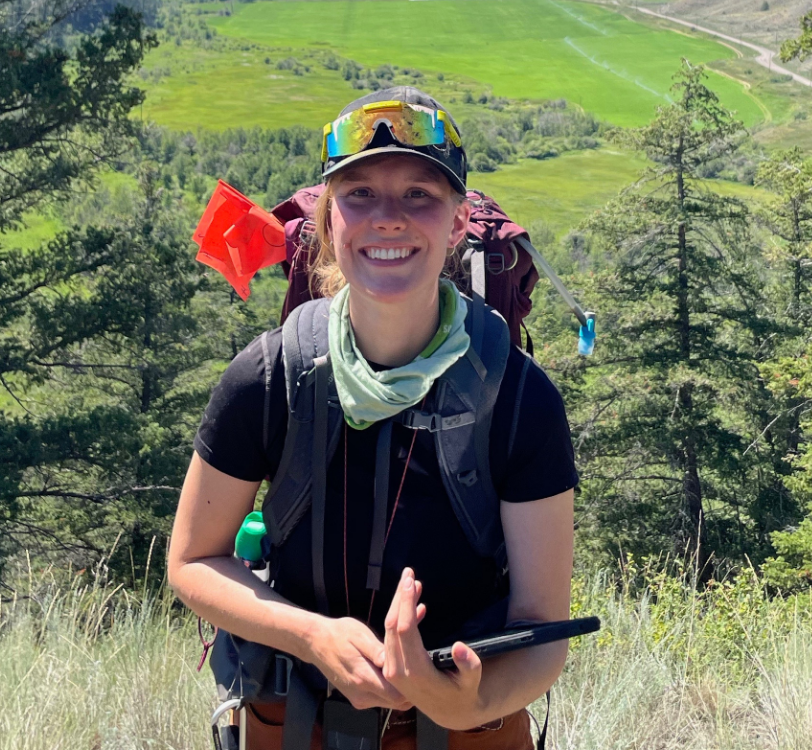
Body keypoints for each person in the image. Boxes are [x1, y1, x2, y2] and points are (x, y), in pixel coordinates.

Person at [165, 88, 577, 749]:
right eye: (359, 195)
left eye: (420, 194)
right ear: (329, 221)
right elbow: (192, 559)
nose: (389, 218)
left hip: (468, 733)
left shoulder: (521, 398)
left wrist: (470, 701)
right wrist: (312, 635)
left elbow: (541, 627)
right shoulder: (269, 378)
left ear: (458, 224)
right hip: (296, 726)